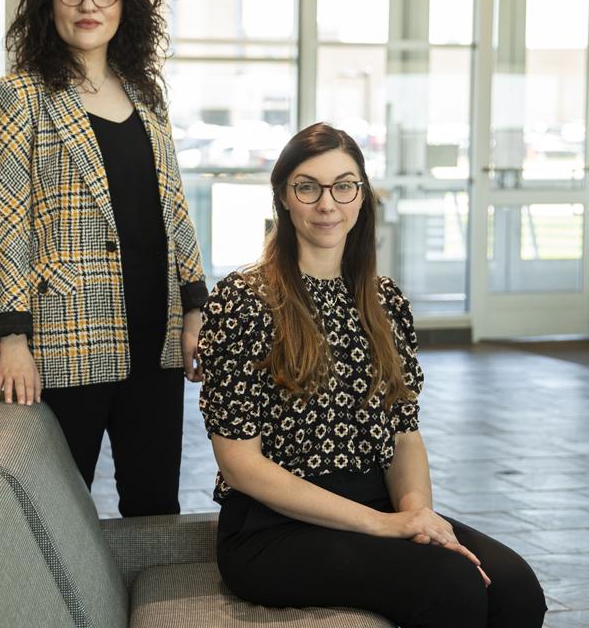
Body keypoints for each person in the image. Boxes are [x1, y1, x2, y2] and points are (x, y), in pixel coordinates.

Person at [198, 123, 546, 627]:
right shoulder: (244, 300)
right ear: (284, 198)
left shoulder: (383, 300)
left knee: (516, 590)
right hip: (273, 529)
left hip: (377, 505)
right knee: (451, 589)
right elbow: (240, 466)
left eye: (344, 185)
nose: (327, 204)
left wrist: (417, 518)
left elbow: (404, 435)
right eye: (307, 186)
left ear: (362, 196)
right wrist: (384, 526)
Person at [0, 0, 207, 517]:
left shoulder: (147, 98)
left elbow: (175, 212)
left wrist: (194, 312)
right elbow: (3, 224)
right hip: (66, 336)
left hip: (153, 335)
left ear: (125, 4)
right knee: (55, 510)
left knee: (155, 505)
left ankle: (148, 611)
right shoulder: (18, 96)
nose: (87, 6)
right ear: (47, 1)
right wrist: (13, 339)